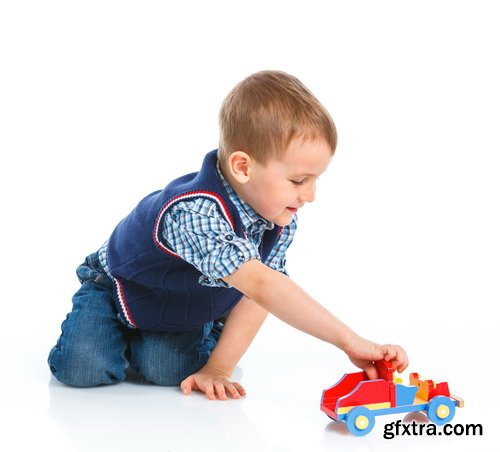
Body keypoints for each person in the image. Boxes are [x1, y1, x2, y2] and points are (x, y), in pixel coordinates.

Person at [48, 70, 408, 400]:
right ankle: (114, 332)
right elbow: (264, 286)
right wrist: (349, 341)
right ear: (243, 166)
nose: (309, 195)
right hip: (117, 287)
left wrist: (217, 369)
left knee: (169, 372)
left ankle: (162, 339)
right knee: (83, 369)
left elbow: (259, 295)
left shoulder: (277, 217)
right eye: (298, 181)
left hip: (178, 301)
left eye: (315, 180)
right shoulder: (196, 211)